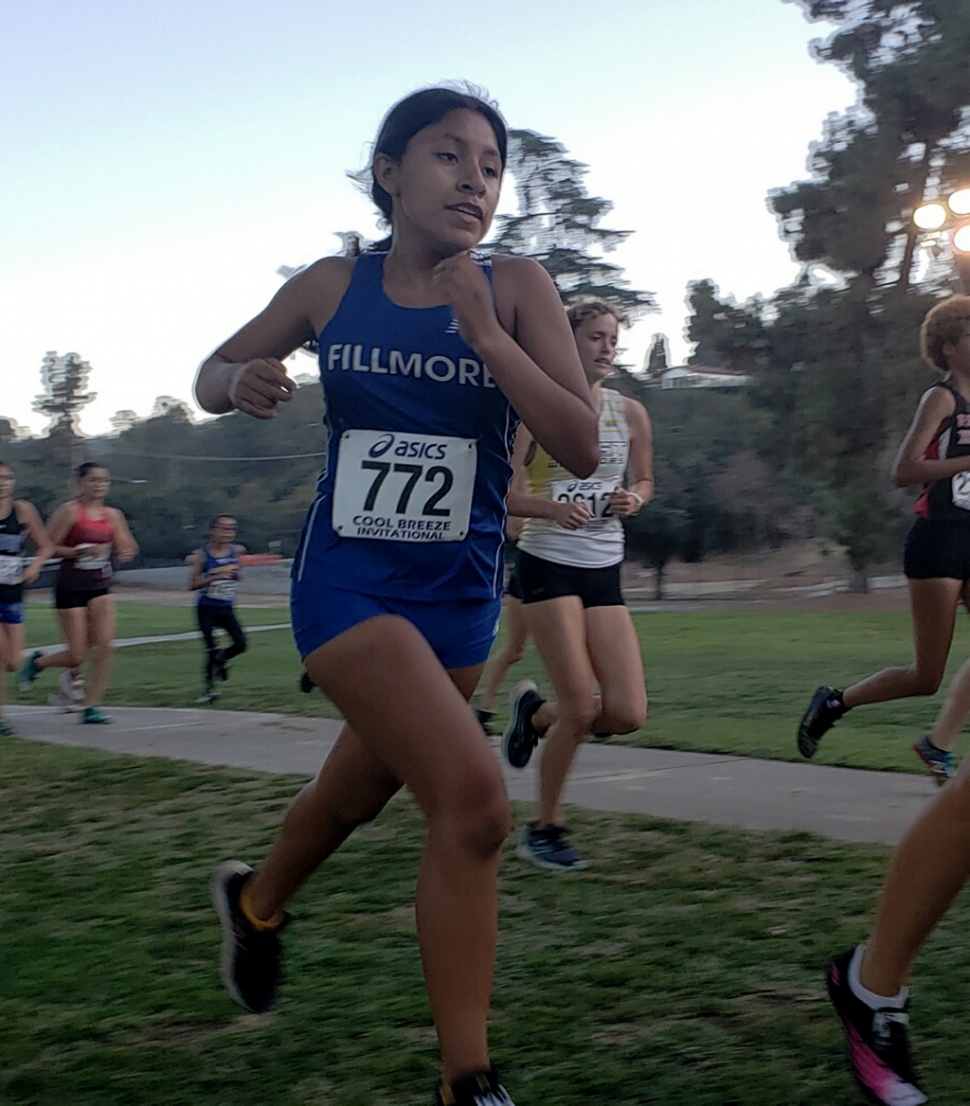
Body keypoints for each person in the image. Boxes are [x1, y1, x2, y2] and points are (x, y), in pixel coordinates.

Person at [195, 86, 599, 1106]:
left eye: (491, 163)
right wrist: (236, 381)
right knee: (470, 805)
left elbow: (581, 443)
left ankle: (256, 901)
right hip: (346, 583)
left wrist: (490, 337)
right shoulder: (335, 284)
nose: (475, 177)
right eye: (447, 154)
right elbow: (212, 368)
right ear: (389, 171)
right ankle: (469, 1078)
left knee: (353, 795)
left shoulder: (517, 289)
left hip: (457, 593)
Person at [501, 301, 654, 871]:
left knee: (627, 711)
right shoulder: (531, 412)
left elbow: (645, 478)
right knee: (583, 708)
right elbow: (502, 494)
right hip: (546, 563)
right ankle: (544, 829)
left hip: (603, 567)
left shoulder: (631, 412)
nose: (607, 348)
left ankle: (534, 716)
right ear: (567, 343)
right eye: (595, 337)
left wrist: (633, 499)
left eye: (613, 338)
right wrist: (547, 506)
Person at [798, 296, 970, 783]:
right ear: (950, 347)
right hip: (939, 542)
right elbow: (904, 470)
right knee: (925, 677)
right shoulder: (941, 399)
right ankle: (835, 702)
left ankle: (937, 745)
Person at [18, 462, 138, 725]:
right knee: (77, 655)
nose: (99, 484)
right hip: (70, 587)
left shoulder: (113, 515)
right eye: (93, 480)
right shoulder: (70, 512)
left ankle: (91, 706)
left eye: (104, 480)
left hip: (100, 586)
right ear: (80, 483)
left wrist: (126, 551)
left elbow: (127, 545)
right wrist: (78, 552)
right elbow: (47, 546)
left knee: (105, 645)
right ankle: (39, 662)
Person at [0, 461, 53, 736]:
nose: (2, 483)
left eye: (8, 478)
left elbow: (45, 545)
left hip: (13, 590)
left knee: (12, 662)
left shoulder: (22, 511)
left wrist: (34, 566)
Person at [473, 513, 528, 736]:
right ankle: (484, 708)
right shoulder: (534, 483)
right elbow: (514, 529)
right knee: (515, 650)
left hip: (580, 570)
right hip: (533, 572)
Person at [188, 515, 247, 703]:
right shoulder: (203, 555)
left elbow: (239, 575)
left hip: (226, 607)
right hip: (206, 607)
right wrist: (212, 578)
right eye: (223, 528)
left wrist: (234, 576)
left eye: (231, 529)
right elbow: (192, 584)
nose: (228, 533)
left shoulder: (236, 551)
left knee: (241, 643)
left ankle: (222, 658)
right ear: (213, 530)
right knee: (210, 648)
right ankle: (209, 690)